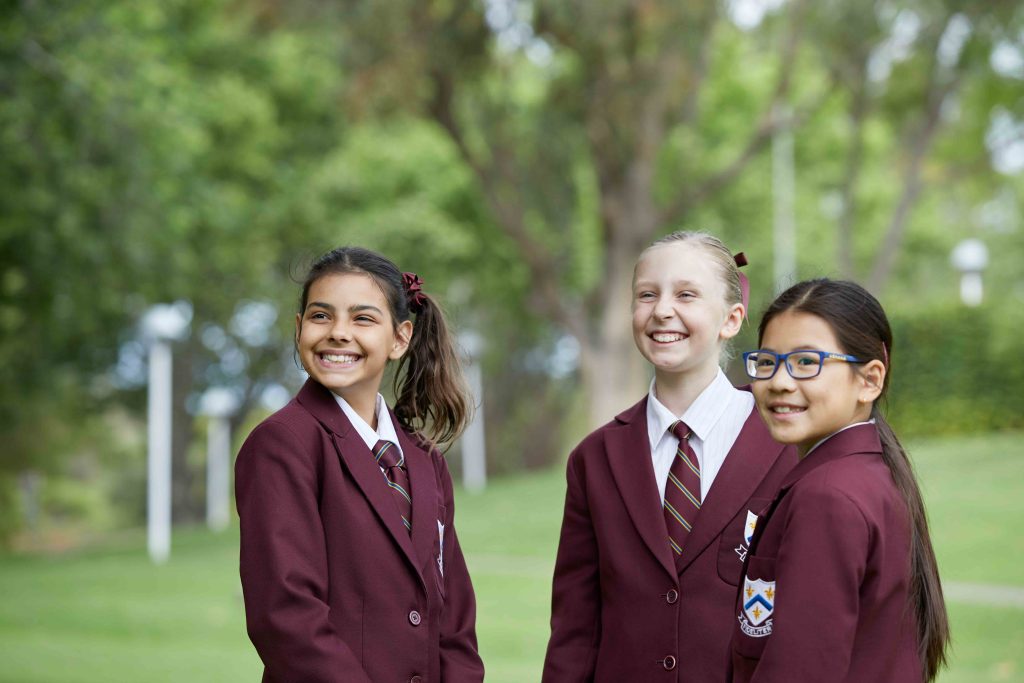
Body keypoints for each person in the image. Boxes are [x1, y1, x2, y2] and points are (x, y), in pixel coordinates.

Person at [542, 231, 797, 682]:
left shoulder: (786, 443)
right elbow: (575, 630)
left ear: (731, 319)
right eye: (646, 295)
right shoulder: (595, 458)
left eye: (686, 294)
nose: (662, 310)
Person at [235, 246, 485, 683]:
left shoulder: (425, 461)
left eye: (363, 318)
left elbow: (454, 619)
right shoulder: (282, 445)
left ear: (400, 338)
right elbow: (287, 617)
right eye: (321, 316)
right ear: (299, 329)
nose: (338, 332)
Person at [730, 278, 949, 682]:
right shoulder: (866, 474)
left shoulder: (827, 496)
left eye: (806, 362)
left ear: (869, 380)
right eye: (767, 361)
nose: (779, 381)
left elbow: (800, 671)